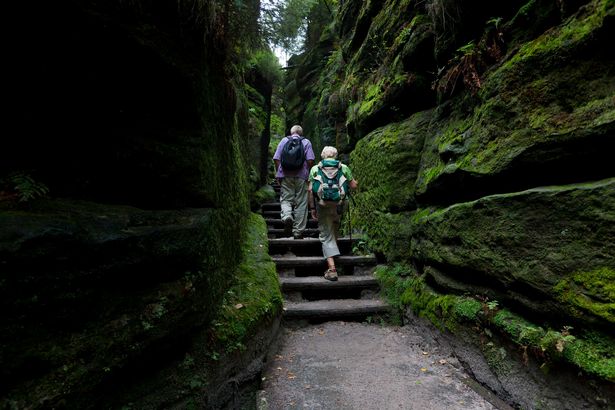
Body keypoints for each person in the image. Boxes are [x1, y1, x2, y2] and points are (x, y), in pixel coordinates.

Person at [308, 146, 358, 281]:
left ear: (323, 155)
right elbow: (353, 186)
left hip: (323, 205)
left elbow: (310, 190)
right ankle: (333, 255)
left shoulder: (315, 169)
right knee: (335, 225)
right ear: (335, 156)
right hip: (340, 203)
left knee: (326, 234)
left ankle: (332, 269)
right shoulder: (344, 167)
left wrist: (312, 208)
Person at [273, 125, 315, 239]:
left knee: (286, 199)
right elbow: (310, 160)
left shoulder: (284, 140)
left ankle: (287, 216)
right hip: (301, 176)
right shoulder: (306, 142)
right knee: (301, 202)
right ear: (301, 133)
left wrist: (279, 173)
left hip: (286, 175)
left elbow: (276, 158)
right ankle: (297, 232)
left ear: (291, 133)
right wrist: (306, 171)